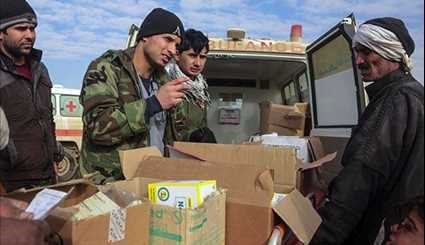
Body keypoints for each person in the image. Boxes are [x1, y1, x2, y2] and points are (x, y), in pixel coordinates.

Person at [311, 17, 424, 244]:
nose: (358, 60)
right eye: (356, 52)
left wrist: (321, 239)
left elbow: (359, 181)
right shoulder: (414, 94)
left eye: (365, 52)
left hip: (382, 228)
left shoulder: (395, 100)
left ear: (390, 53)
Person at [80, 8, 188, 184]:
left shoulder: (164, 79)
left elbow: (170, 134)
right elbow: (98, 128)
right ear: (145, 36)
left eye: (176, 44)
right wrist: (153, 104)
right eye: (167, 39)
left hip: (154, 182)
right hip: (111, 184)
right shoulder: (107, 68)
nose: (172, 49)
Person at [0, 0, 64, 192]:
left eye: (32, 28)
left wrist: (53, 156)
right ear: (1, 34)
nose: (29, 35)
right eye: (21, 28)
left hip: (46, 178)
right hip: (10, 184)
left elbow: (46, 118)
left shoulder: (40, 70)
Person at [166, 29, 217, 143]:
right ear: (178, 55)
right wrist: (191, 136)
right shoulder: (166, 84)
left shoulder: (200, 90)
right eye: (192, 55)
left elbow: (201, 124)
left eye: (203, 57)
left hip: (192, 154)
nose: (198, 63)